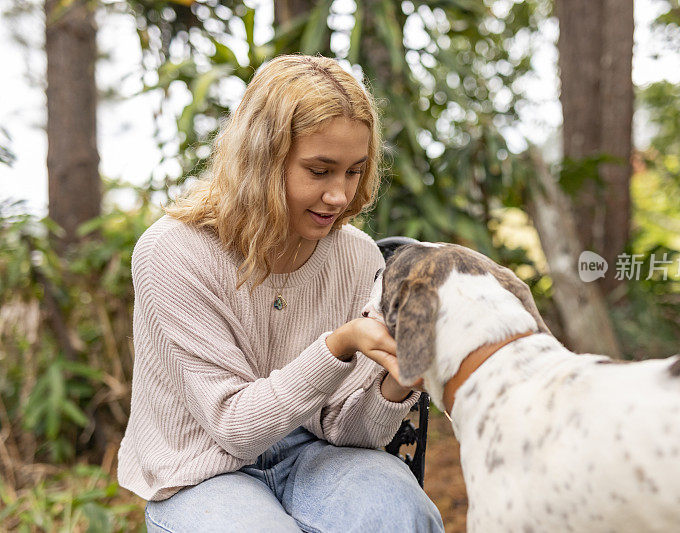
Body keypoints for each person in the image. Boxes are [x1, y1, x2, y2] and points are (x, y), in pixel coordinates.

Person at [117, 54, 444, 533]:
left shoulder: (356, 257)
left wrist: (397, 379)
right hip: (200, 470)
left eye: (354, 171)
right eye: (319, 171)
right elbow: (234, 427)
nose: (340, 196)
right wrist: (339, 344)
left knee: (399, 511)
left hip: (315, 453)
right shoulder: (173, 253)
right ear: (261, 158)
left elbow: (350, 432)